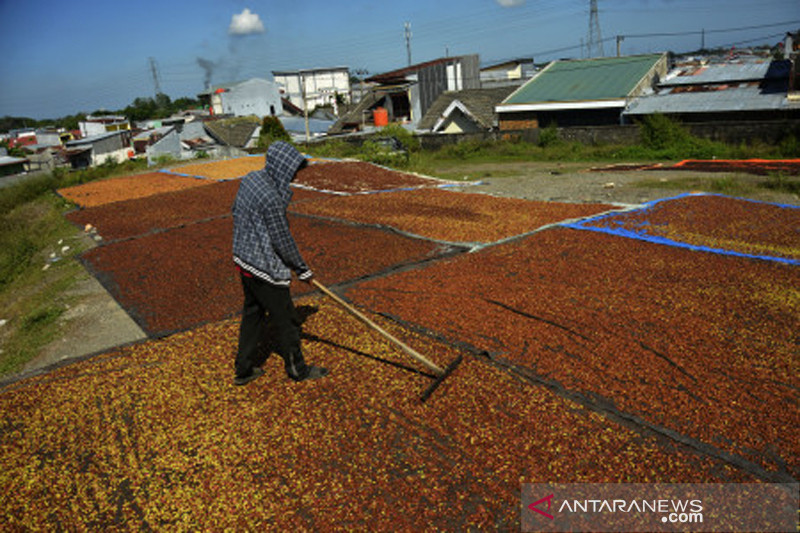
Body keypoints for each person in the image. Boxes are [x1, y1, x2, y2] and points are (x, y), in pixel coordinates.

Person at [231, 141, 328, 386]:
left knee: (253, 314)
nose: (295, 175)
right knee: (288, 321)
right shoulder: (271, 198)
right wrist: (302, 269)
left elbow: (235, 210)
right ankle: (298, 370)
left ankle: (243, 369)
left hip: (244, 261)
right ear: (282, 168)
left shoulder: (251, 179)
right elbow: (282, 240)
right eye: (293, 169)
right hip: (264, 268)